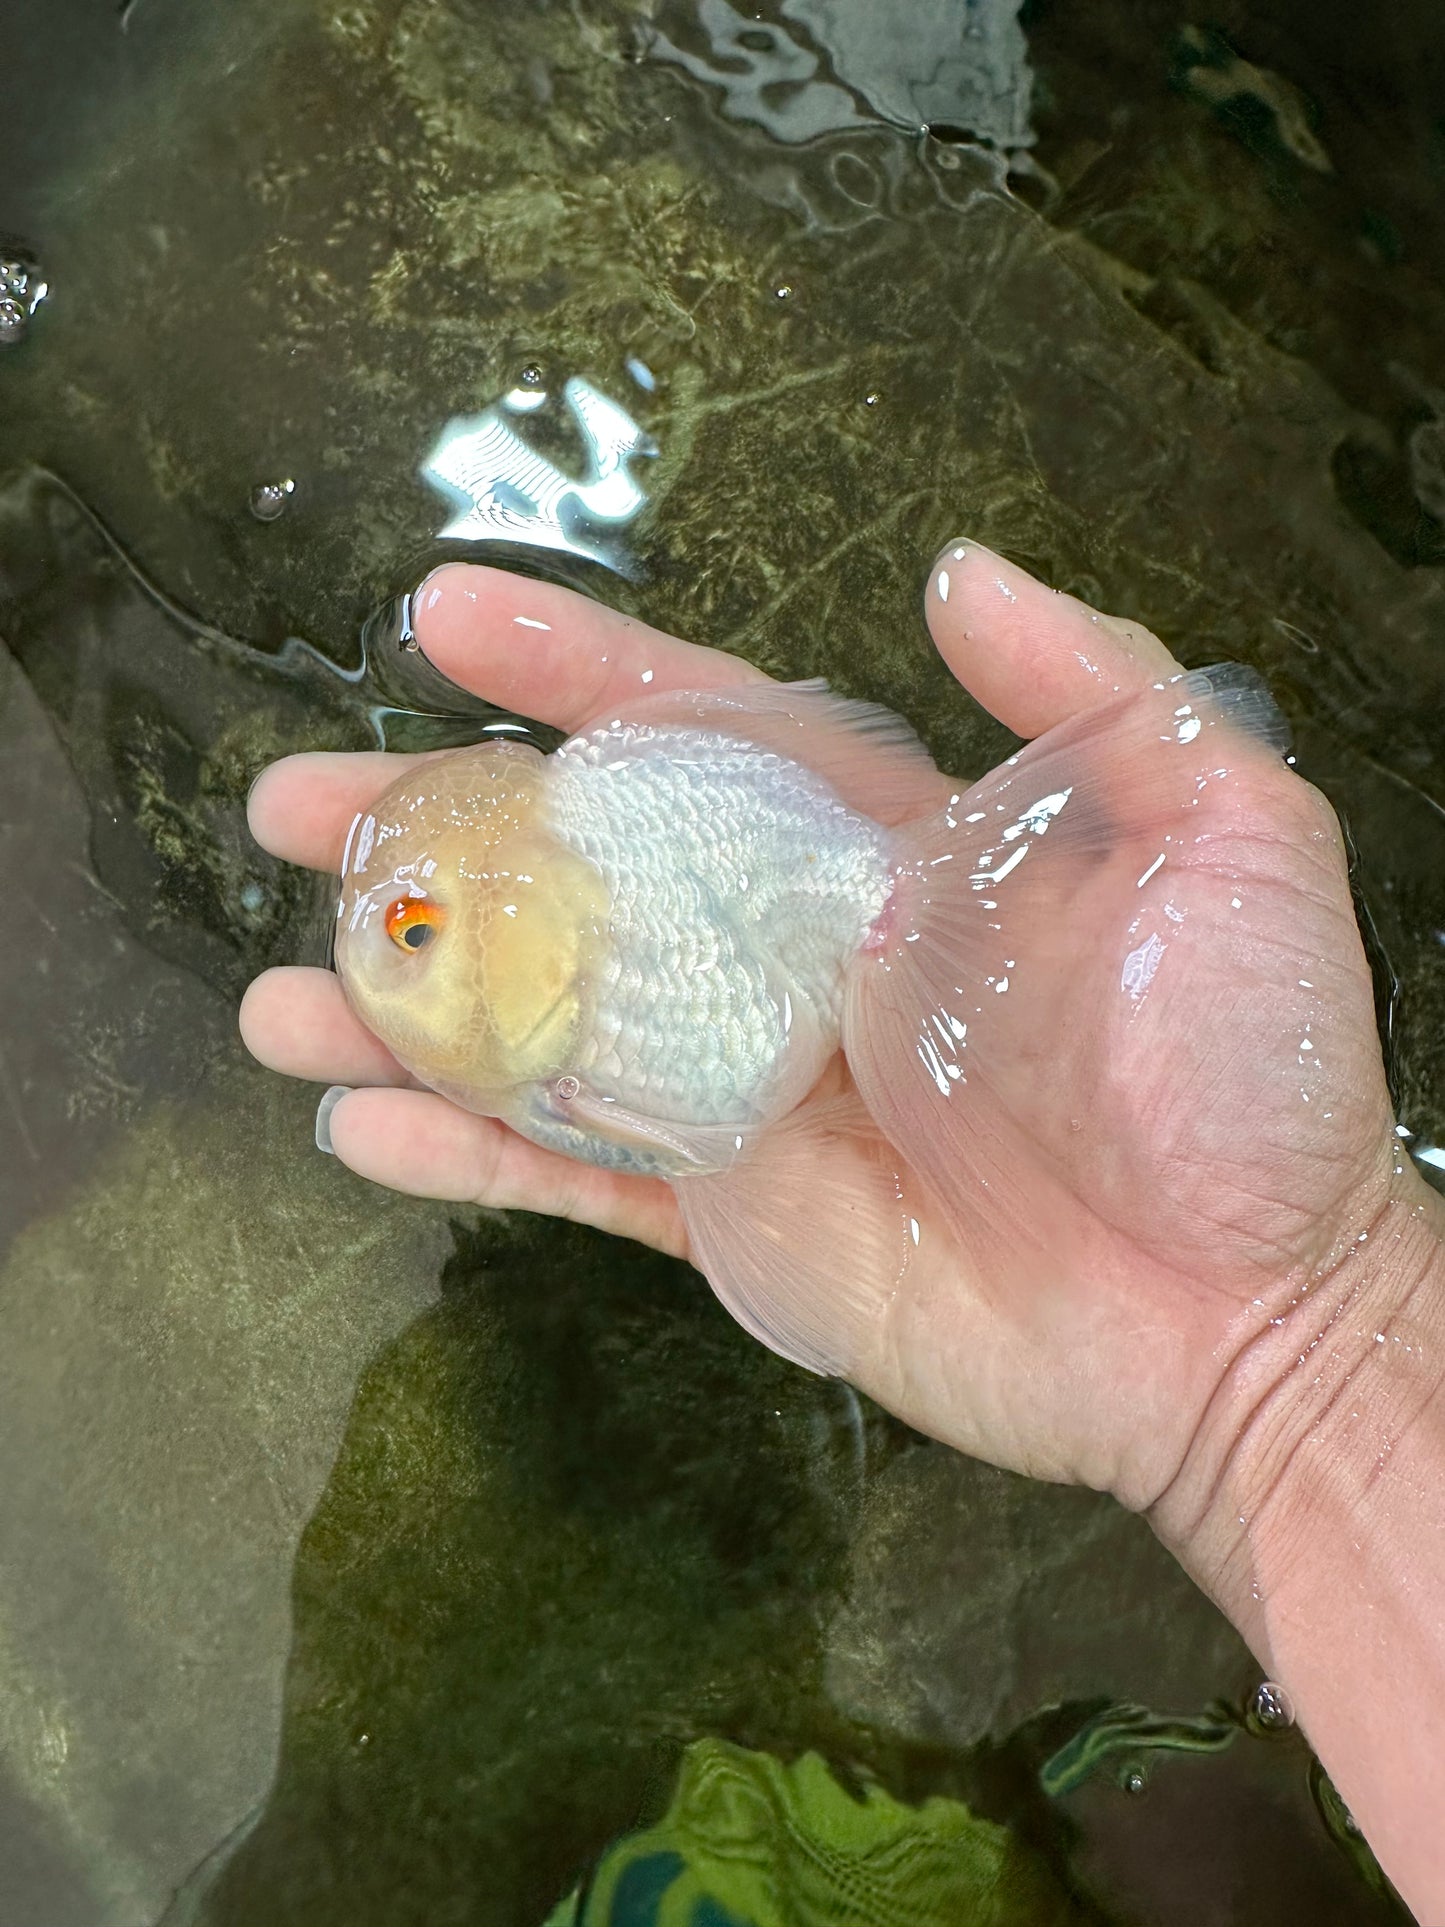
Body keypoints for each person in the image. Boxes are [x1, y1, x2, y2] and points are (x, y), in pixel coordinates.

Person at [241, 543, 1445, 1922]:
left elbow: (714, 1128)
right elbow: (710, 1142)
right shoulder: (571, 967)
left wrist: (1291, 1345)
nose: (384, 954)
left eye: (410, 929)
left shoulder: (616, 920)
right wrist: (1303, 1355)